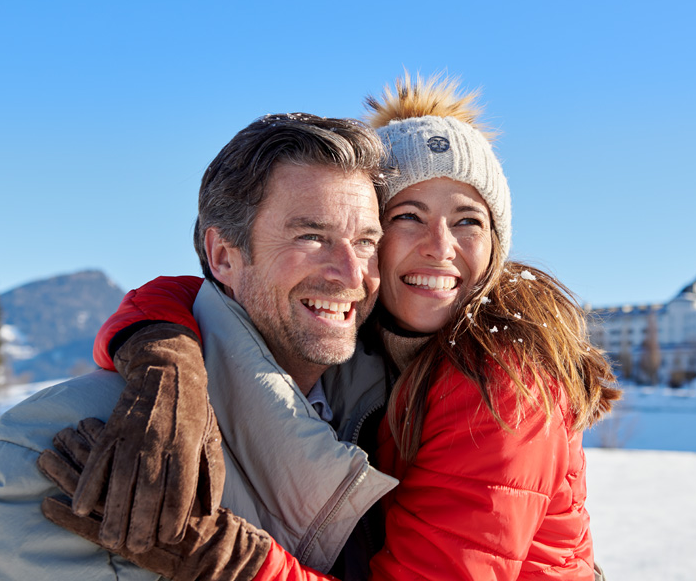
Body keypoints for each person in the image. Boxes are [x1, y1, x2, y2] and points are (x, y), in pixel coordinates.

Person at [44, 73, 621, 579]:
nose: (440, 248)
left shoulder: (497, 380)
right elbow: (205, 290)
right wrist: (164, 356)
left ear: (497, 245)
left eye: (468, 220)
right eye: (407, 217)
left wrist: (219, 555)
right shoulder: (367, 331)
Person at [0, 113, 399, 580]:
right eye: (312, 236)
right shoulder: (77, 444)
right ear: (224, 256)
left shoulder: (390, 415)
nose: (352, 273)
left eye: (366, 242)